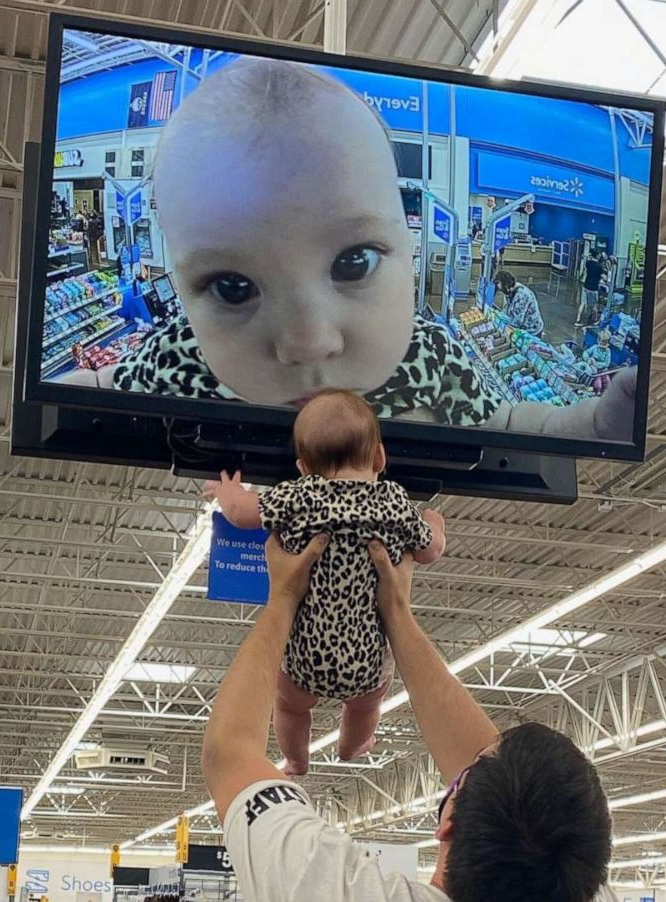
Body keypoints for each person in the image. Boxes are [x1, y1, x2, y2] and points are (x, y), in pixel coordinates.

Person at [59, 58, 636, 443]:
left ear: (411, 255)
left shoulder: (429, 356)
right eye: (233, 288)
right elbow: (103, 388)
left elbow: (509, 418)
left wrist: (590, 421)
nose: (309, 341)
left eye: (353, 262)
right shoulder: (181, 355)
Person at [202, 535, 613, 902]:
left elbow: (230, 752)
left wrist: (285, 599)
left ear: (448, 825)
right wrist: (394, 614)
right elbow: (507, 797)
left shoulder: (324, 883)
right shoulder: (571, 880)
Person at [204, 391, 446, 776]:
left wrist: (228, 492)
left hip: (304, 657)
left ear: (302, 468)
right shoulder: (394, 503)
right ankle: (353, 746)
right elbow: (430, 550)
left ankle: (297, 759)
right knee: (366, 706)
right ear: (380, 457)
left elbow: (241, 514)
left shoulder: (299, 496)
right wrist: (434, 523)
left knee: (290, 707)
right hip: (366, 661)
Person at [493, 270, 544, 334]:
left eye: (502, 290)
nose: (502, 293)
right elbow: (506, 310)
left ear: (507, 287)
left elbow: (516, 322)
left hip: (531, 330)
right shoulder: (509, 292)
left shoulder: (522, 295)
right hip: (521, 328)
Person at [577, 249, 605, 326]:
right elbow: (603, 276)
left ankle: (578, 320)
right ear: (597, 255)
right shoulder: (599, 266)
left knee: (582, 303)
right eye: (599, 254)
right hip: (593, 288)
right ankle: (595, 320)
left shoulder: (588, 263)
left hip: (586, 286)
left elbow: (585, 272)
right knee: (594, 305)